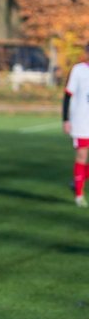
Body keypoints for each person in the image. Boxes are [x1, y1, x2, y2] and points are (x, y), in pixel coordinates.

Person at [62, 42, 89, 207]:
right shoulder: (78, 70)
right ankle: (79, 195)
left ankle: (77, 180)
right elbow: (67, 95)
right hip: (81, 122)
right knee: (82, 157)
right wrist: (65, 119)